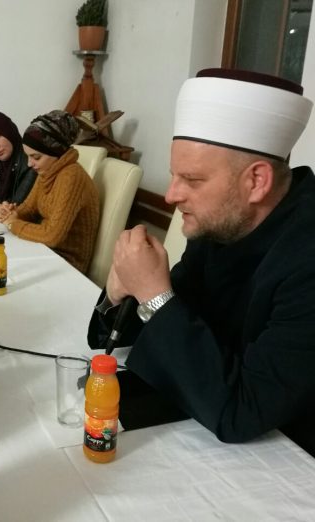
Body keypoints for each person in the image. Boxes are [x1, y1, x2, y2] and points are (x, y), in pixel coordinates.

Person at [87, 68, 315, 455]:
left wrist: (153, 295)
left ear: (256, 181)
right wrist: (118, 290)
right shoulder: (222, 223)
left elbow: (242, 411)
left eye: (192, 180)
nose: (171, 195)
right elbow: (150, 332)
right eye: (174, 176)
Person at [0, 110, 100, 273]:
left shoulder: (72, 176)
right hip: (45, 252)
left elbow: (52, 236)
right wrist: (10, 212)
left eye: (36, 157)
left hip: (67, 264)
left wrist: (13, 223)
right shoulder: (48, 170)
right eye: (28, 156)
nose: (29, 164)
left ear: (56, 152)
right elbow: (29, 208)